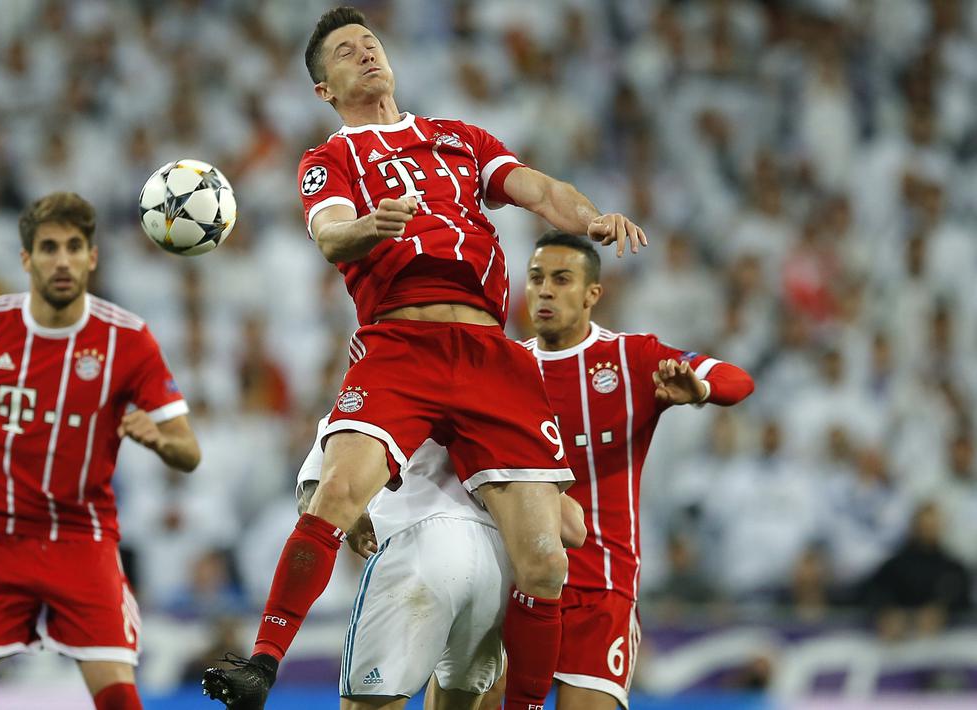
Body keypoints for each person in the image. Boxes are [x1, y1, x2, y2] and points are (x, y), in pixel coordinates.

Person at [203, 8, 647, 710]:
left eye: (369, 44)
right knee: (337, 494)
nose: (365, 55)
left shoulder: (457, 138)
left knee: (545, 559)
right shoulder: (328, 160)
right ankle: (261, 662)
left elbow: (537, 189)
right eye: (346, 53)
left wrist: (586, 217)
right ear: (325, 89)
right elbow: (328, 236)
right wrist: (368, 226)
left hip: (487, 353)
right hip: (401, 341)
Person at [0, 192, 201, 710]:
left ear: (92, 256)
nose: (61, 260)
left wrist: (161, 439)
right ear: (26, 259)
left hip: (81, 536)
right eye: (48, 248)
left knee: (119, 696)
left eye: (73, 246)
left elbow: (189, 451)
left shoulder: (129, 340)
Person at [521, 231, 754, 710]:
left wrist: (702, 390)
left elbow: (737, 380)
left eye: (562, 279)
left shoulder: (632, 359)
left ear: (592, 294)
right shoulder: (508, 368)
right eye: (537, 278)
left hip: (601, 589)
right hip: (517, 583)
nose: (545, 290)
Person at [295, 416, 587, 710]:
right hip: (494, 564)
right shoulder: (513, 400)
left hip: (416, 544)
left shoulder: (384, 376)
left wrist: (350, 518)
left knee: (368, 702)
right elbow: (573, 529)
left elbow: (318, 488)